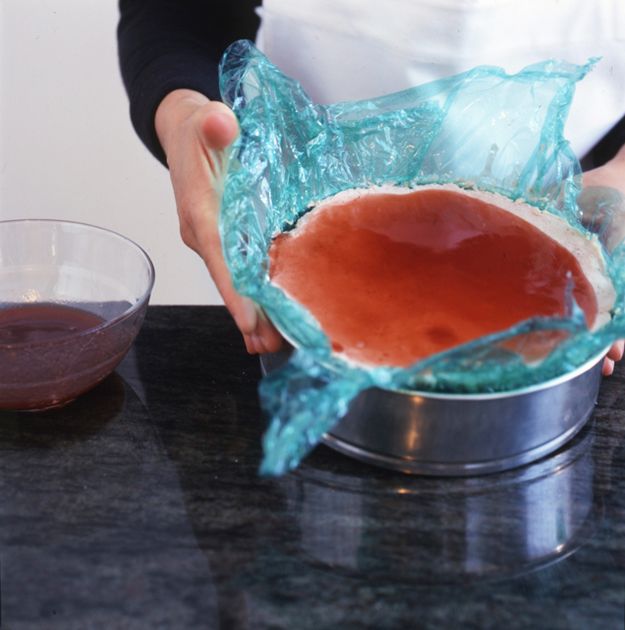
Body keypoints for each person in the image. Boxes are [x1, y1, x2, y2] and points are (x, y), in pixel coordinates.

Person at [117, 0, 625, 374]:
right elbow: (180, 13)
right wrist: (183, 112)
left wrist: (620, 176)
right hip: (296, 259)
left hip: (581, 234)